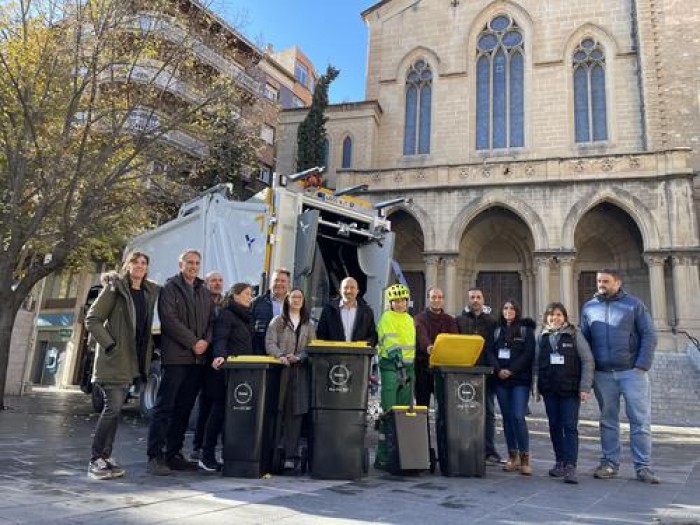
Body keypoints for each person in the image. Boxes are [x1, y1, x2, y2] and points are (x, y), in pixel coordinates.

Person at [580, 269, 659, 484]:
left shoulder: (634, 305)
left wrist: (642, 365)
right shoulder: (589, 307)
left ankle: (643, 467)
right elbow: (584, 341)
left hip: (632, 373)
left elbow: (649, 334)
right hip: (603, 375)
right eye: (599, 281)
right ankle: (609, 463)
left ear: (618, 282)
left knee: (640, 421)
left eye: (606, 281)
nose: (601, 284)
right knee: (607, 421)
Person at [85, 251, 159, 480]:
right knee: (113, 409)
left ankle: (105, 457)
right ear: (127, 265)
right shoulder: (115, 289)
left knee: (115, 411)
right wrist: (110, 345)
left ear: (147, 268)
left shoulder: (148, 292)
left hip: (133, 361)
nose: (139, 266)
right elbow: (92, 319)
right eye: (135, 262)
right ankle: (95, 459)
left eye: (143, 263)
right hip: (115, 359)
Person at [146, 249, 212, 476]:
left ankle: (174, 454)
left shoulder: (204, 291)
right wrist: (194, 342)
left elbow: (211, 322)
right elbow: (169, 320)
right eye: (189, 262)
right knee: (165, 407)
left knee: (184, 409)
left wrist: (205, 342)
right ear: (180, 264)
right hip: (176, 358)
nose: (193, 266)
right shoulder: (169, 288)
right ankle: (155, 455)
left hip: (197, 360)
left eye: (197, 263)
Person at [535, 302, 594, 484]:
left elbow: (587, 360)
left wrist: (585, 387)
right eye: (552, 315)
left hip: (570, 389)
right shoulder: (542, 337)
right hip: (550, 389)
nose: (555, 318)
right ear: (547, 318)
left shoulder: (575, 334)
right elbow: (536, 364)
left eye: (559, 315)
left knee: (569, 426)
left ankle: (571, 466)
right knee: (554, 426)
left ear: (565, 317)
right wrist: (536, 388)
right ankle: (559, 461)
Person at [198, 282, 255, 472]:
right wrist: (220, 356)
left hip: (241, 374)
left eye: (251, 294)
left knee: (229, 416)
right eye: (247, 293)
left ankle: (227, 453)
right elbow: (220, 337)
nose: (250, 297)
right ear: (236, 296)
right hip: (225, 372)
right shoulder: (227, 314)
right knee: (217, 415)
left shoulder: (246, 316)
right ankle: (206, 456)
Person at [266, 288, 316, 469]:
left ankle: (291, 456)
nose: (296, 300)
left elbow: (312, 347)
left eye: (300, 297)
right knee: (277, 412)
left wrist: (300, 357)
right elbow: (269, 342)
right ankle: (273, 453)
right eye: (293, 296)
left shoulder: (308, 324)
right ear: (287, 300)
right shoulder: (277, 322)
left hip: (299, 373)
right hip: (279, 373)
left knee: (295, 415)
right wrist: (280, 356)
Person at [487, 299, 536, 475]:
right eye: (505, 308)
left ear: (517, 311)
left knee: (517, 416)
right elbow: (490, 352)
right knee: (507, 418)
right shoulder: (496, 330)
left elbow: (528, 354)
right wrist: (499, 370)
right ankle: (512, 456)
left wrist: (511, 370)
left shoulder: (526, 330)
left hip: (520, 380)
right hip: (501, 380)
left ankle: (525, 457)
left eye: (512, 308)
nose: (508, 311)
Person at [455, 287, 501, 464]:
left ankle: (489, 449)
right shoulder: (459, 321)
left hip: (486, 372)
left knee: (488, 411)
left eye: (478, 297)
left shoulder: (492, 321)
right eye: (472, 297)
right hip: (465, 373)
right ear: (468, 300)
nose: (475, 300)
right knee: (464, 410)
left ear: (483, 300)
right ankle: (465, 446)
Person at [374, 283, 416, 470]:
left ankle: (400, 452)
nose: (400, 304)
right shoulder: (386, 318)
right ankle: (383, 455)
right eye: (396, 301)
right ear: (390, 303)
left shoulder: (409, 319)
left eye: (403, 301)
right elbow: (389, 342)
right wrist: (397, 359)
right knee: (389, 411)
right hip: (391, 366)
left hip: (408, 368)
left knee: (404, 411)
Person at [191, 271, 225, 462]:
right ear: (206, 283)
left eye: (220, 281)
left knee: (214, 404)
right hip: (203, 358)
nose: (217, 283)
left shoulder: (225, 303)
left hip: (219, 360)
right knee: (204, 404)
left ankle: (207, 446)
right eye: (213, 280)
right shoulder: (201, 301)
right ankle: (197, 446)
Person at [413, 287, 457, 407]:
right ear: (428, 299)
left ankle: (443, 426)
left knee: (444, 404)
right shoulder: (419, 318)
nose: (437, 300)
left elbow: (454, 340)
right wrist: (429, 347)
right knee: (422, 403)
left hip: (444, 368)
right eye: (433, 297)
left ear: (443, 300)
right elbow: (421, 336)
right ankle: (422, 426)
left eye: (439, 297)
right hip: (423, 366)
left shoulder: (450, 320)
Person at [316, 276, 378, 345]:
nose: (349, 291)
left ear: (357, 291)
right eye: (345, 287)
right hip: (334, 354)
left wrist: (364, 347)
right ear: (340, 290)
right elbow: (321, 334)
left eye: (352, 288)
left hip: (358, 354)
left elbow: (372, 336)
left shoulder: (367, 311)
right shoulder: (328, 310)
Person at [252, 268, 290, 354]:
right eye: (276, 280)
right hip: (262, 354)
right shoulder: (257, 302)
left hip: (288, 355)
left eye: (283, 281)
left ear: (288, 284)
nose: (279, 283)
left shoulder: (295, 303)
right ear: (270, 283)